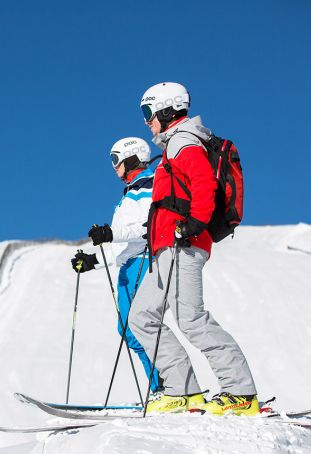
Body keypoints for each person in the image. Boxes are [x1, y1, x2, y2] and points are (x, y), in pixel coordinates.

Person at [128, 82, 259, 415]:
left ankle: (240, 392)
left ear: (166, 110)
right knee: (142, 317)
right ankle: (183, 391)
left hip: (183, 243)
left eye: (148, 112)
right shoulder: (174, 145)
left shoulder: (184, 141)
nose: (146, 121)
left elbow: (203, 184)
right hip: (165, 248)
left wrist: (195, 223)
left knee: (191, 319)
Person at [71, 137, 162, 394]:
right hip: (129, 265)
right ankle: (160, 388)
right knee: (128, 330)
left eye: (115, 160)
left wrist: (112, 233)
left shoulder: (149, 187)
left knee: (140, 327)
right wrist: (92, 261)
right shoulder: (131, 193)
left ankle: (167, 388)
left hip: (144, 263)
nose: (114, 167)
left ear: (130, 158)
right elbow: (123, 245)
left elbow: (146, 228)